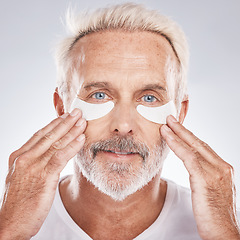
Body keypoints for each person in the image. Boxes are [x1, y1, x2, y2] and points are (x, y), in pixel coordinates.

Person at [0, 3, 239, 240]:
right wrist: (9, 232)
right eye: (99, 95)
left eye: (149, 97)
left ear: (180, 113)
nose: (123, 126)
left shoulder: (223, 229)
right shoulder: (11, 222)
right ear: (62, 107)